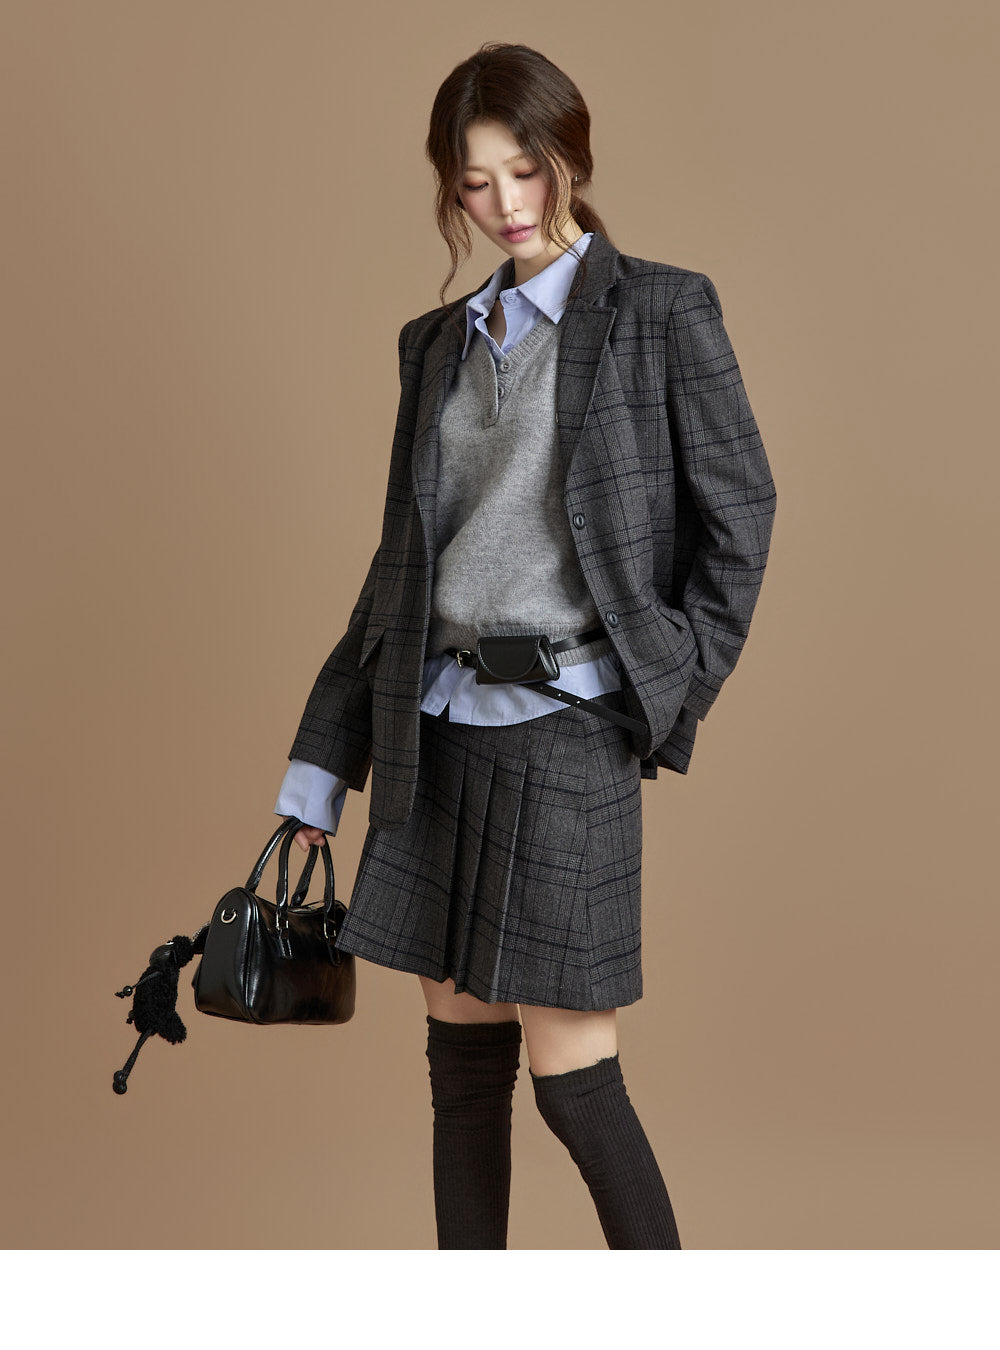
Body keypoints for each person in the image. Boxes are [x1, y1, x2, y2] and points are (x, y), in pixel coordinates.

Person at [274, 41, 777, 1249]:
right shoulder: (434, 345)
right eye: (473, 182)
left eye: (525, 170)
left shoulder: (660, 310)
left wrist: (662, 689)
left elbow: (741, 515)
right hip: (434, 734)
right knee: (461, 1078)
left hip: (567, 735)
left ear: (570, 158)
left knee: (575, 1082)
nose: (503, 204)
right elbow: (399, 572)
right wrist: (317, 773)